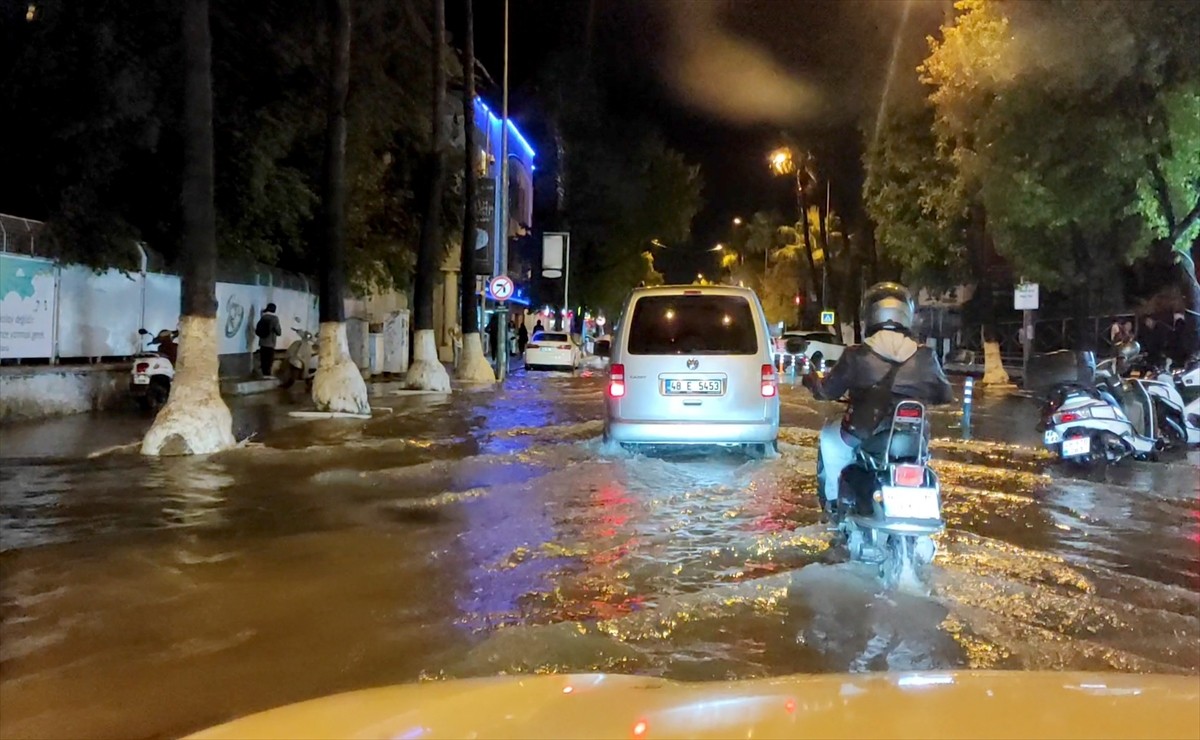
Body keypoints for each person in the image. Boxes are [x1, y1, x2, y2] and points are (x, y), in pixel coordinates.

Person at [804, 282, 954, 517]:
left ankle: (833, 506)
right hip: (914, 441)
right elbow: (945, 395)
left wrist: (812, 382)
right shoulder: (926, 356)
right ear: (906, 314)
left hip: (865, 432)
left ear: (871, 315)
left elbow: (827, 391)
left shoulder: (857, 354)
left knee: (830, 439)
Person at [255, 303, 282, 377]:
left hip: (262, 342)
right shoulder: (275, 319)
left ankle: (263, 373)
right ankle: (267, 374)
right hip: (270, 343)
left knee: (263, 359)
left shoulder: (263, 317)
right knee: (269, 360)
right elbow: (278, 332)